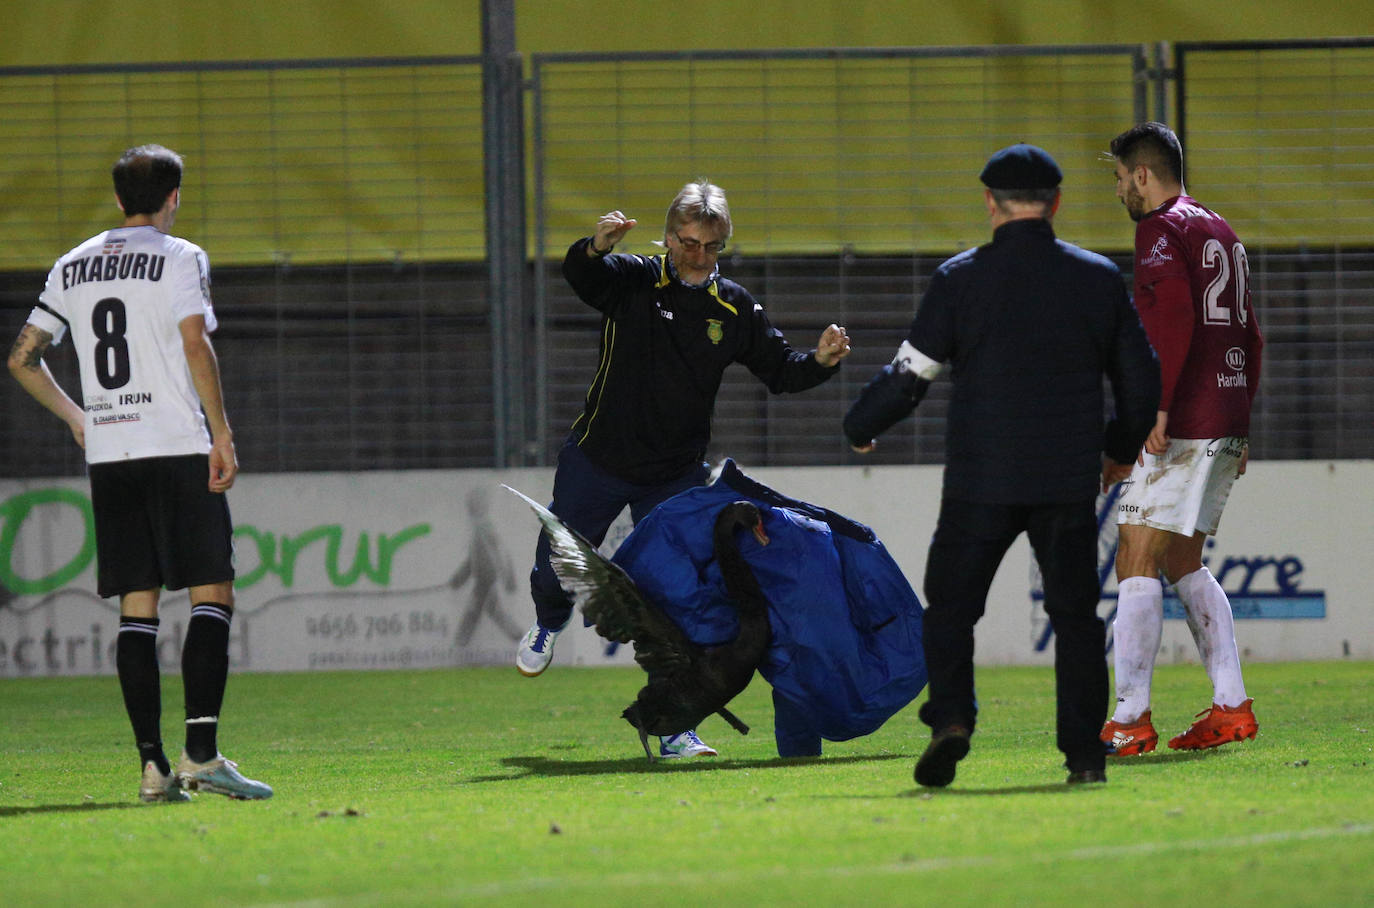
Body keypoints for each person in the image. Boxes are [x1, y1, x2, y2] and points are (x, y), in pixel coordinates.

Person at [844, 144, 1160, 787]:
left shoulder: (960, 280)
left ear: (990, 204)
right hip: (1066, 483)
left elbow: (911, 376)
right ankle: (1084, 757)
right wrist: (1118, 451)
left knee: (951, 611)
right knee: (1074, 619)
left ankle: (953, 719)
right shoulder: (1097, 278)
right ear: (1057, 205)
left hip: (979, 483)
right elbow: (1141, 379)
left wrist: (860, 426)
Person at [520, 179, 851, 758]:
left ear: (723, 244)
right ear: (668, 236)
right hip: (598, 456)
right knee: (559, 564)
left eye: (710, 245)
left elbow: (781, 370)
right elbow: (584, 277)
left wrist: (820, 361)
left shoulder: (735, 308)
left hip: (673, 475)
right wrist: (595, 246)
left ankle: (673, 723)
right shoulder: (633, 280)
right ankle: (549, 620)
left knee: (677, 600)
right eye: (686, 241)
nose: (696, 254)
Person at [7, 144, 271, 802]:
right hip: (176, 444)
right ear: (173, 197)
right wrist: (222, 432)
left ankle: (153, 768)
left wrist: (78, 416)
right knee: (212, 593)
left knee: (137, 605)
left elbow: (21, 358)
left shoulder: (72, 265)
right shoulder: (181, 257)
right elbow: (193, 341)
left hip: (113, 454)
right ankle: (202, 756)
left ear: (119, 195)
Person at [1099, 122, 1264, 756]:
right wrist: (1241, 420)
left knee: (1135, 558)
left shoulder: (1161, 229)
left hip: (1185, 418)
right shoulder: (1219, 229)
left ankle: (1130, 719)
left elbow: (1169, 322)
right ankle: (1230, 705)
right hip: (1224, 413)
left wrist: (1156, 406)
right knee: (1179, 560)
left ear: (1143, 174)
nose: (1119, 191)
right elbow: (1249, 332)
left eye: (1119, 178)